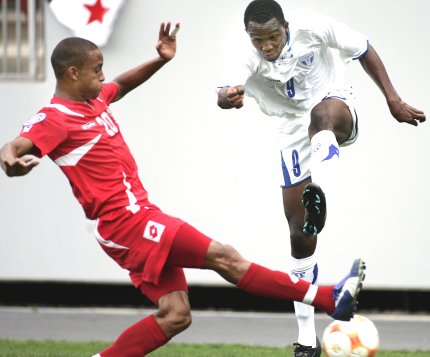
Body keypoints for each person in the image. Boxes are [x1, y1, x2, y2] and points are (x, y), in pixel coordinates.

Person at [0, 22, 365, 357]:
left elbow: (121, 85)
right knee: (226, 257)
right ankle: (329, 297)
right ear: (72, 73)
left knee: (175, 315)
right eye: (97, 70)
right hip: (126, 224)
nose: (103, 76)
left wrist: (159, 60)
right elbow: (16, 145)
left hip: (138, 218)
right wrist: (11, 161)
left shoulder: (93, 100)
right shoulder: (55, 117)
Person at [216, 0, 426, 356]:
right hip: (290, 129)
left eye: (273, 36)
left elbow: (363, 48)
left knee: (321, 117)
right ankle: (306, 341)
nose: (267, 46)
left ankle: (320, 189)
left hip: (333, 102)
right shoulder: (244, 54)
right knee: (300, 236)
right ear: (248, 36)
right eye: (258, 40)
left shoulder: (312, 25)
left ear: (285, 25)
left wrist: (393, 99)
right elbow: (223, 92)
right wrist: (228, 98)